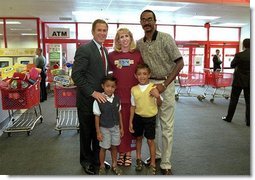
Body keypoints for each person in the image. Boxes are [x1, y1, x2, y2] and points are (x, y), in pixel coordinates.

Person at [137, 9, 184, 175]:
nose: (146, 22)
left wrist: (164, 84)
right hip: (149, 87)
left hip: (166, 85)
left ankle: (165, 163)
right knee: (152, 124)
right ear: (140, 23)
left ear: (155, 21)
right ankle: (155, 155)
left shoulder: (166, 38)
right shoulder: (140, 43)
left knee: (166, 126)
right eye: (143, 20)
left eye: (149, 19)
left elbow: (180, 63)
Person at [71, 19, 110, 175]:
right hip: (87, 100)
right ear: (93, 32)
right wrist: (93, 92)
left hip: (100, 101)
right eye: (99, 30)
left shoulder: (105, 51)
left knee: (97, 132)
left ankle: (96, 160)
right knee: (87, 133)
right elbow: (77, 75)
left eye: (104, 30)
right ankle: (86, 161)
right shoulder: (85, 49)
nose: (102, 33)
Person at [108, 27, 143, 167]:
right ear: (117, 40)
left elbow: (142, 74)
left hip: (133, 98)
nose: (124, 39)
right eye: (121, 37)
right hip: (117, 98)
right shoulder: (112, 56)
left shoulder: (137, 55)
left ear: (131, 38)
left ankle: (128, 153)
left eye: (127, 36)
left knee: (130, 127)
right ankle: (121, 153)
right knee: (118, 127)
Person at [129, 63, 162, 175]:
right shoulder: (134, 89)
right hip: (138, 117)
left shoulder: (153, 87)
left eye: (144, 74)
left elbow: (160, 103)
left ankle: (152, 163)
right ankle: (138, 159)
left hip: (150, 118)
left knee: (150, 140)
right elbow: (133, 106)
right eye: (139, 74)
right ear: (135, 76)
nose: (142, 76)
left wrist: (157, 96)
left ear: (149, 75)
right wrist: (130, 122)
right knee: (138, 138)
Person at [93, 75, 124, 175]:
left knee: (114, 147)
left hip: (115, 127)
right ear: (103, 86)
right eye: (107, 86)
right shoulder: (98, 100)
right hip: (104, 128)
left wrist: (121, 128)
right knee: (104, 147)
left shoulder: (117, 99)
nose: (110, 89)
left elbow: (119, 114)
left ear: (115, 87)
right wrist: (98, 132)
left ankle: (114, 165)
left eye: (112, 86)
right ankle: (102, 166)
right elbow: (97, 117)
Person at [222, 38, 250, 126]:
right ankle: (249, 121)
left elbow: (232, 65)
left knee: (234, 99)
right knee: (249, 101)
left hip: (238, 80)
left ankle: (229, 118)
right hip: (250, 81)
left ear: (244, 45)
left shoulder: (239, 55)